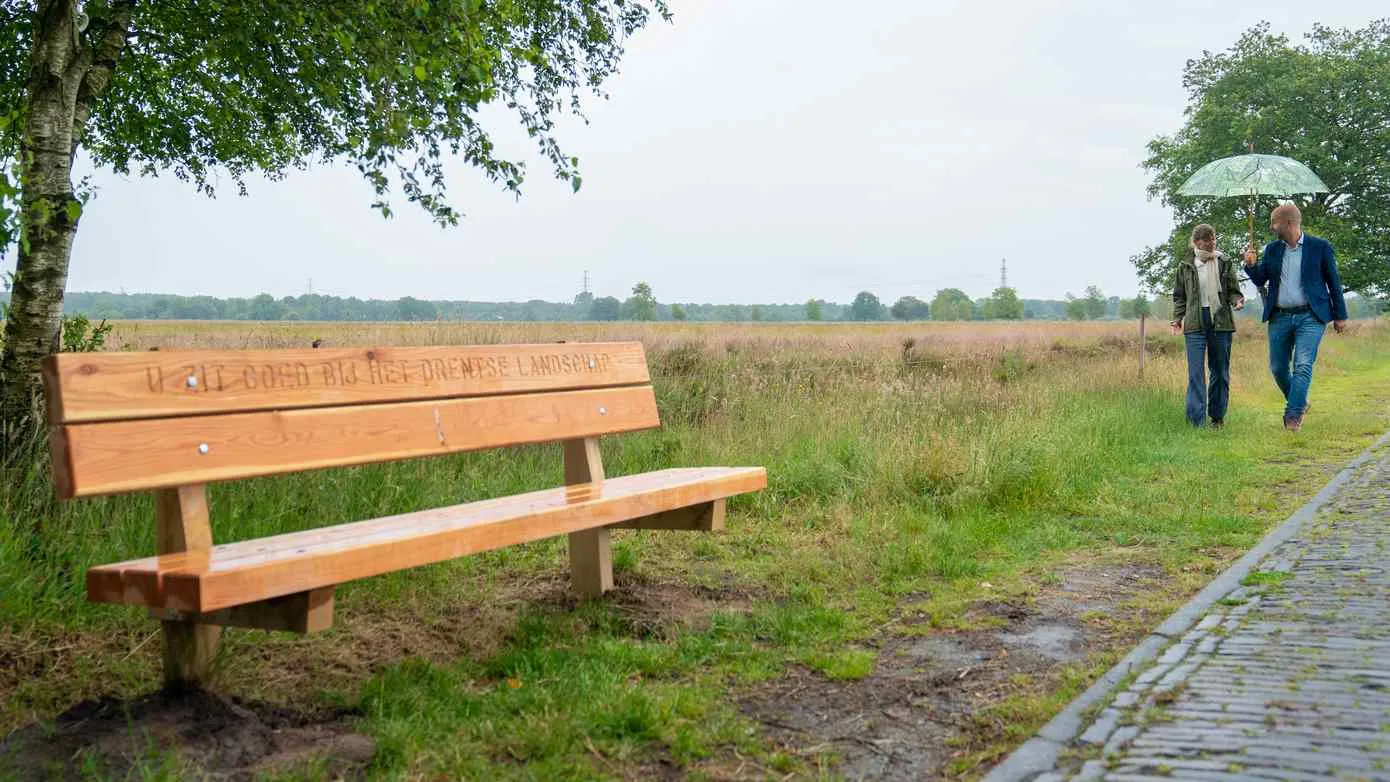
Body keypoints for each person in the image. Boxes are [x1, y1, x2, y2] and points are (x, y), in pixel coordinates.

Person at [1243, 203, 1348, 432]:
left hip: (1311, 316)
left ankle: (1293, 417)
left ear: (1289, 223)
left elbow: (1334, 281)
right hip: (1279, 316)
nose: (1272, 227)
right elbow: (1261, 279)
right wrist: (1250, 265)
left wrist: (1340, 315)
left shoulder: (1320, 247)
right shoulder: (1272, 249)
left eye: (1274, 223)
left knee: (1302, 365)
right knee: (1278, 367)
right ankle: (1300, 400)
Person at [1171, 224, 1244, 428]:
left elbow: (1233, 290)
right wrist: (1177, 318)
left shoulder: (1223, 261)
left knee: (1220, 370)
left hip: (1220, 320)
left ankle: (1217, 417)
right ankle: (1196, 421)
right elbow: (1179, 297)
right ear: (1197, 242)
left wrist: (1237, 300)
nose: (1212, 243)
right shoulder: (1185, 266)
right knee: (1196, 372)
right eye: (1208, 240)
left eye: (1214, 238)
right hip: (1195, 322)